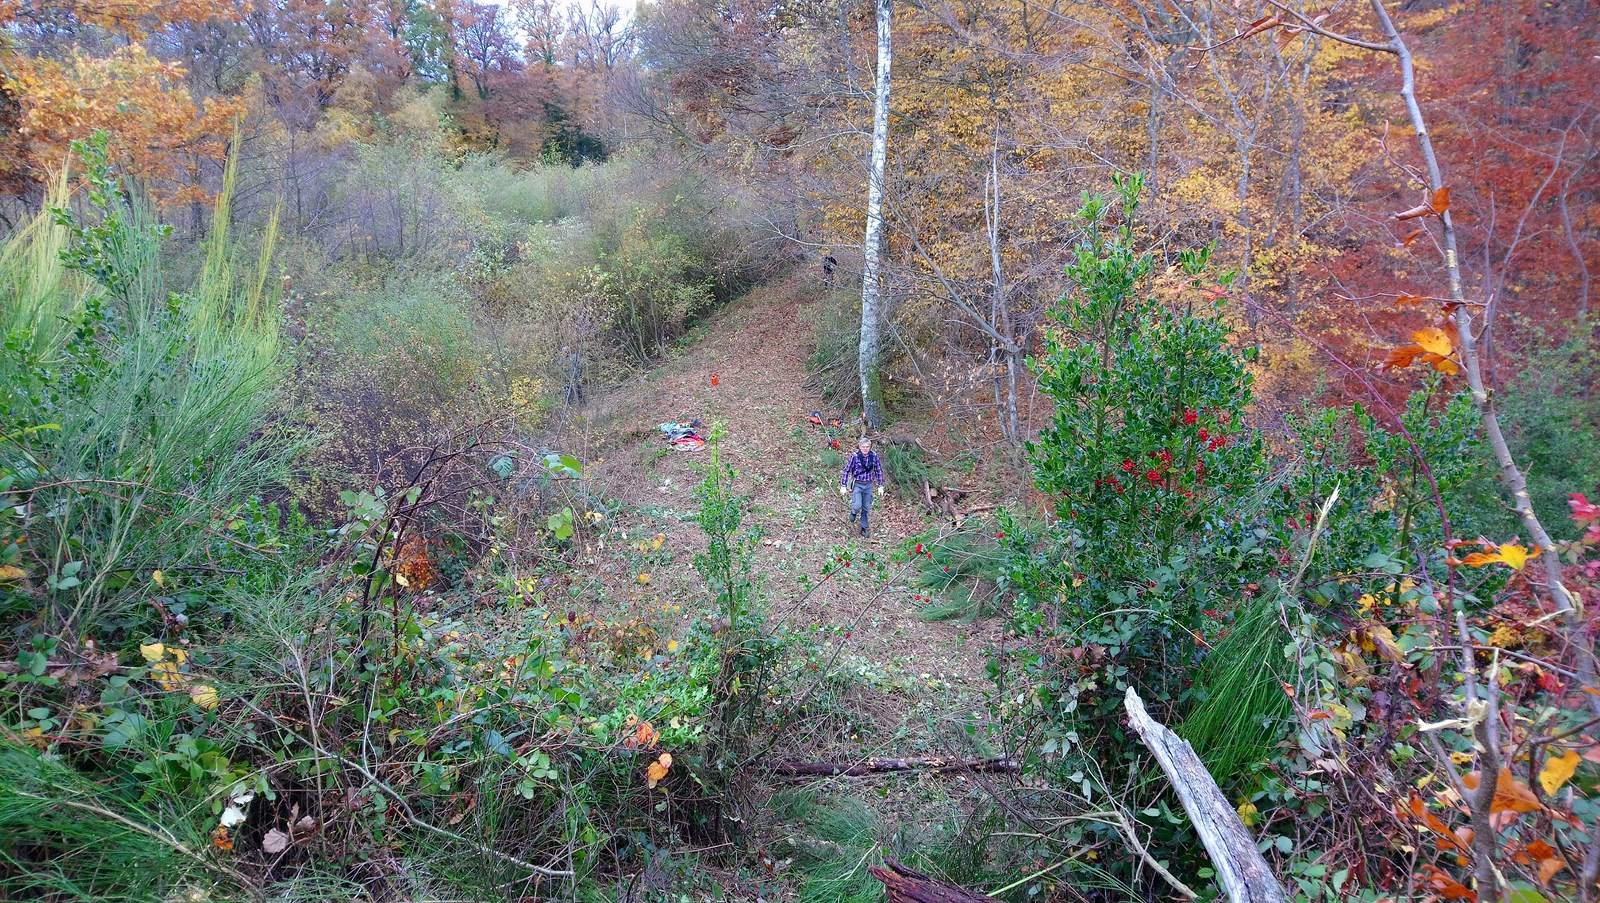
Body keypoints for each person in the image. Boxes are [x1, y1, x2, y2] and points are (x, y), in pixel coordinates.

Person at [839, 436, 886, 537]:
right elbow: (847, 470)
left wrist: (880, 485)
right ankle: (853, 512)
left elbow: (878, 470)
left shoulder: (874, 456)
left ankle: (864, 528)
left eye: (867, 446)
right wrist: (843, 485)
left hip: (869, 484)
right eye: (863, 446)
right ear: (860, 447)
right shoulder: (855, 456)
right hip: (858, 484)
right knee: (857, 505)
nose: (865, 448)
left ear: (870, 447)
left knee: (866, 507)